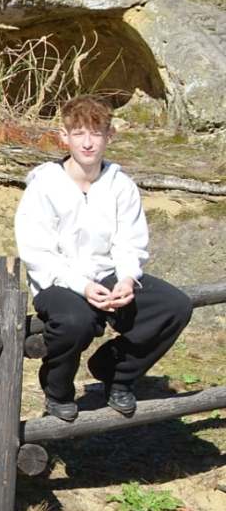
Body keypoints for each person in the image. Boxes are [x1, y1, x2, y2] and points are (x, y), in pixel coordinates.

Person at [14, 96, 192, 421]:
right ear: (64, 136)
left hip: (107, 274)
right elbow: (38, 252)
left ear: (110, 136)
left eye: (96, 133)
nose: (88, 142)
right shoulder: (44, 186)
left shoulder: (120, 185)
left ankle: (116, 372)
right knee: (75, 321)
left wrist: (127, 278)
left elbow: (129, 241)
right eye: (79, 133)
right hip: (57, 281)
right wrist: (81, 286)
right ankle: (57, 389)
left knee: (174, 306)